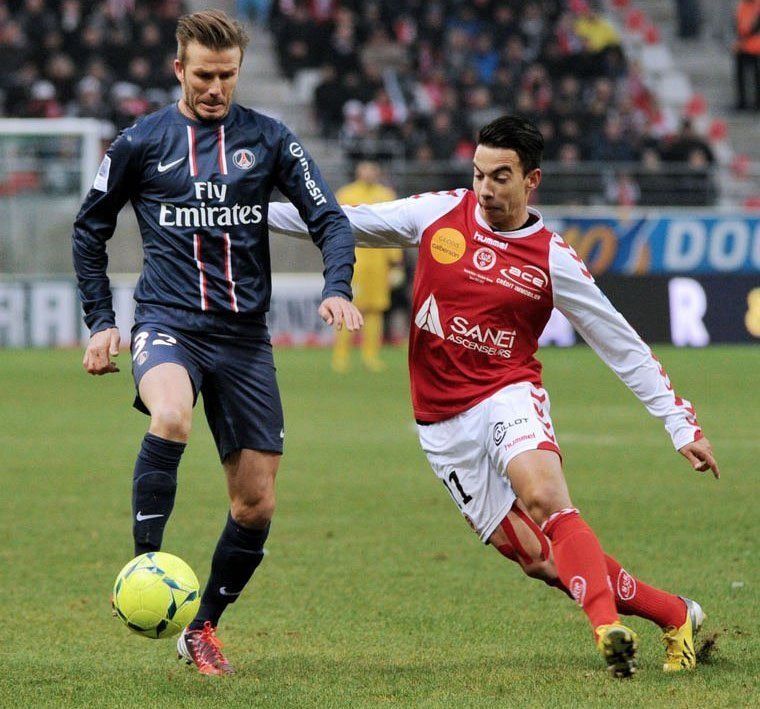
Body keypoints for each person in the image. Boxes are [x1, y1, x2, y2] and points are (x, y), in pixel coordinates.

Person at [268, 115, 720, 678]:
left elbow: (622, 345)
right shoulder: (440, 214)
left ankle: (606, 629)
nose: (485, 188)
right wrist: (249, 211)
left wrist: (680, 425)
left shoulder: (552, 258)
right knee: (540, 560)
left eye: (500, 176)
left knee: (546, 499)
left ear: (532, 180)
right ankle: (675, 613)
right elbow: (343, 221)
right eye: (479, 173)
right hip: (440, 422)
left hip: (509, 392)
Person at [72, 9, 362, 676]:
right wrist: (100, 320)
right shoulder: (141, 142)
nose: (215, 88)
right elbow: (90, 229)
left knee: (255, 503)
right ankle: (146, 562)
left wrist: (337, 285)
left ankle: (201, 628)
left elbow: (329, 217)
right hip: (167, 322)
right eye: (203, 75)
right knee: (170, 414)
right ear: (179, 69)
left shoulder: (269, 139)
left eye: (226, 76)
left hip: (244, 339)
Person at [332, 161, 403, 372]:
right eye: (365, 168)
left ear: (378, 172)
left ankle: (370, 356)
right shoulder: (346, 194)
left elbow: (394, 228)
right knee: (349, 308)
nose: (368, 173)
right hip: (354, 262)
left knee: (376, 310)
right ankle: (341, 356)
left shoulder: (386, 195)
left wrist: (396, 262)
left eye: (372, 169)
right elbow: (335, 226)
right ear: (357, 171)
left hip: (379, 263)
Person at [734, 0, 760, 111]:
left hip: (755, 46)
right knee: (740, 76)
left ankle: (756, 103)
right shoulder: (742, 5)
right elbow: (737, 24)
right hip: (743, 46)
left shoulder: (757, 5)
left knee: (756, 77)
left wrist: (743, 39)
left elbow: (755, 26)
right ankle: (742, 102)